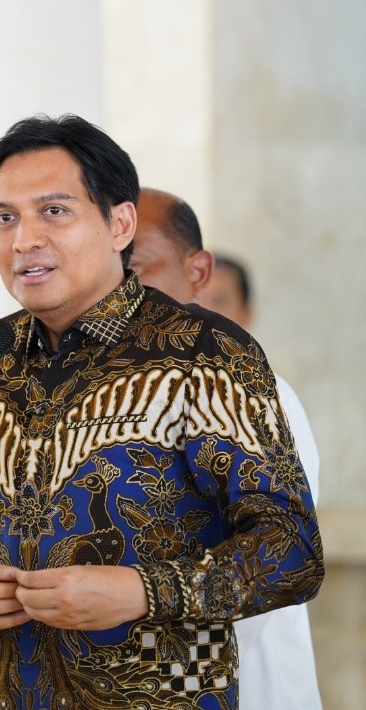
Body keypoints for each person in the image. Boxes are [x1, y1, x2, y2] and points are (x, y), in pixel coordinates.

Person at [0, 115, 324, 709]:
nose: (24, 239)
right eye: (4, 218)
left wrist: (143, 591)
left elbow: (293, 552)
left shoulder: (205, 353)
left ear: (120, 224)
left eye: (54, 211)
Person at [133, 239, 322, 709]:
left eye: (137, 268)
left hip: (236, 681)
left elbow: (277, 556)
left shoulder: (260, 394)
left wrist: (163, 679)